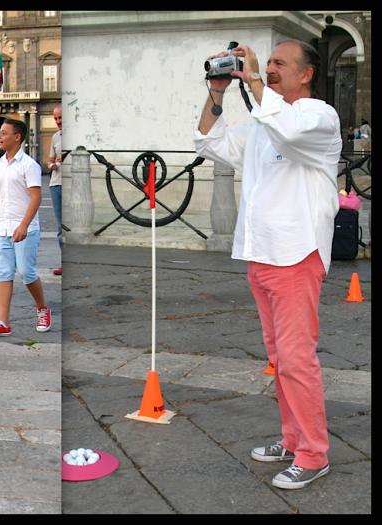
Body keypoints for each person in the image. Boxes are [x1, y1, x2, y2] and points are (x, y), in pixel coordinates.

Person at [194, 40, 340, 490]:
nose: (269, 69)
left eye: (280, 63)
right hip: (261, 254)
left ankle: (314, 454)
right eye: (268, 63)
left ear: (306, 74)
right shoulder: (261, 125)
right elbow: (207, 141)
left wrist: (255, 79)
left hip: (297, 254)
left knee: (298, 359)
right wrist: (217, 92)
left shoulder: (318, 116)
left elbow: (290, 131)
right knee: (280, 359)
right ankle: (293, 438)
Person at [0, 117, 51, 338]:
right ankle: (2, 321)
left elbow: (36, 197)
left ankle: (42, 309)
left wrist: (24, 225)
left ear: (17, 137)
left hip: (24, 229)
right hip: (3, 229)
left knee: (26, 272)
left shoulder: (30, 165)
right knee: (3, 272)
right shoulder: (0, 165)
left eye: (3, 133)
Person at [47, 106, 63, 276]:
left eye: (61, 118)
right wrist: (52, 164)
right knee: (61, 227)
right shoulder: (55, 137)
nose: (58, 121)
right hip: (56, 184)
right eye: (56, 118)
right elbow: (50, 160)